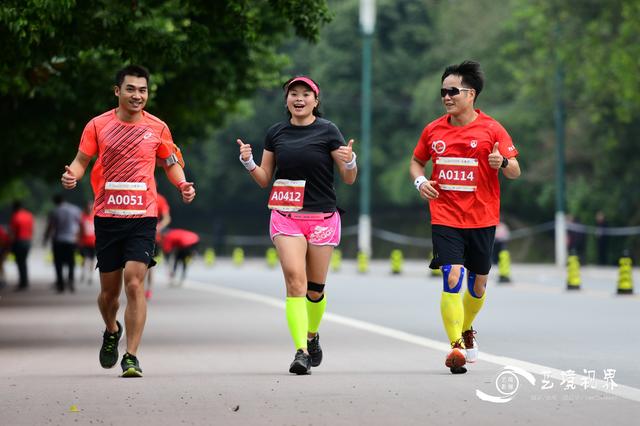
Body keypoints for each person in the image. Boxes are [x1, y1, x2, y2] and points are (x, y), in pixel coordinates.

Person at [60, 65, 196, 378]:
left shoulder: (158, 128)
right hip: (107, 216)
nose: (137, 95)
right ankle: (111, 329)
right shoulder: (98, 125)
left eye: (143, 90)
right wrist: (72, 177)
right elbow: (82, 161)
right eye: (131, 89)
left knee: (134, 283)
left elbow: (170, 162)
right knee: (109, 295)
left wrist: (183, 184)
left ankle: (131, 356)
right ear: (117, 91)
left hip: (143, 217)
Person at [237, 76, 357, 375]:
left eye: (306, 94)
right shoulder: (276, 133)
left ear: (316, 100)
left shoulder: (328, 131)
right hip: (286, 216)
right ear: (286, 99)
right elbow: (265, 178)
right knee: (295, 281)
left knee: (315, 290)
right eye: (293, 93)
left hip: (322, 218)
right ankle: (301, 351)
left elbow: (348, 178)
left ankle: (312, 335)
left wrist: (351, 160)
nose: (299, 98)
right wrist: (249, 163)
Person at [409, 61, 521, 374]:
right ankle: (455, 347)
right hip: (445, 216)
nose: (446, 96)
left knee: (479, 285)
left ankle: (466, 328)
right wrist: (421, 182)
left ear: (470, 94)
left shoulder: (492, 129)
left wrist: (501, 163)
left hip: (483, 218)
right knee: (453, 276)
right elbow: (416, 163)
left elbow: (515, 170)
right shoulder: (433, 130)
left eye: (452, 91)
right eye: (443, 91)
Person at [44, 194, 82, 293]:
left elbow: (51, 226)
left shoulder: (55, 211)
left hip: (59, 240)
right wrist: (79, 237)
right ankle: (71, 280)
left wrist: (45, 238)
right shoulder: (75, 209)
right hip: (71, 239)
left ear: (55, 202)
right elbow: (80, 224)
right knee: (71, 262)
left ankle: (60, 284)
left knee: (58, 263)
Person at [145, 192, 171, 300]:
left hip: (152, 237)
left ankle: (148, 289)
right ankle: (137, 288)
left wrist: (159, 227)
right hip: (134, 234)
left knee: (149, 265)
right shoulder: (135, 193)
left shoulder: (159, 199)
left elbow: (167, 218)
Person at [9, 201, 34, 291]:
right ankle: (24, 281)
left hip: (19, 241)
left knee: (20, 262)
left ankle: (22, 282)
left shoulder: (15, 216)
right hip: (27, 241)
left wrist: (10, 244)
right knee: (23, 262)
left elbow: (13, 232)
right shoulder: (29, 215)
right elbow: (31, 229)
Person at [78, 201, 97, 284]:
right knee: (85, 259)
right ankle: (83, 273)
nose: (89, 208)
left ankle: (90, 276)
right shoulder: (82, 217)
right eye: (88, 207)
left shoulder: (94, 216)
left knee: (92, 260)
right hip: (84, 242)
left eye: (91, 207)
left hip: (93, 242)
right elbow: (80, 230)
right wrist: (79, 240)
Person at [0, 224, 10, 289]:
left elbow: (4, 240)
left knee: (0, 266)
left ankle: (2, 281)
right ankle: (3, 281)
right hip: (4, 248)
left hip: (2, 248)